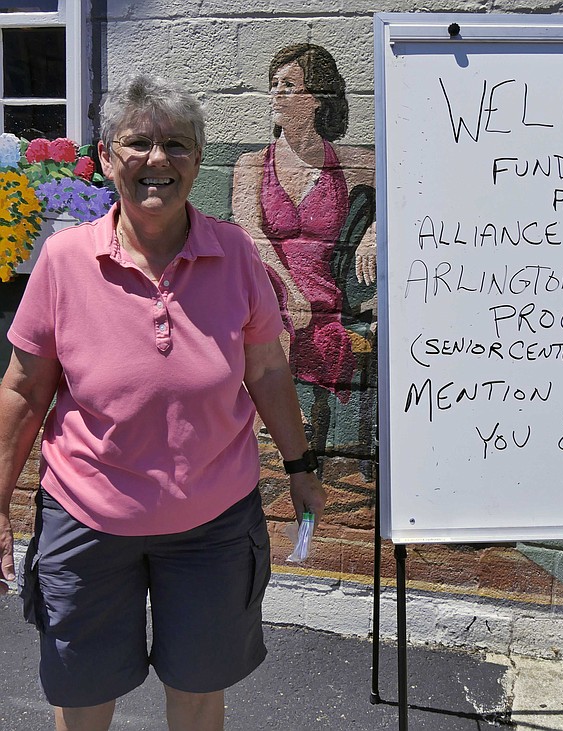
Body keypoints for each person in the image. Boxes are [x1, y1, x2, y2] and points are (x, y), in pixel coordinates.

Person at [0, 73, 326, 731]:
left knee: (200, 692)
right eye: (138, 143)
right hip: (87, 523)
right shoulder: (63, 262)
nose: (157, 160)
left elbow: (266, 371)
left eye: (176, 144)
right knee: (84, 699)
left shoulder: (234, 254)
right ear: (106, 155)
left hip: (213, 528)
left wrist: (300, 467)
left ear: (197, 161)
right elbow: (22, 389)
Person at [232, 44, 376, 451]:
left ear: (316, 99)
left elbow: (408, 182)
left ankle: (278, 424)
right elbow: (250, 236)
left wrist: (376, 230)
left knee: (294, 315)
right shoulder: (251, 164)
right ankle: (289, 423)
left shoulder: (349, 162)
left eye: (289, 86)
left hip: (321, 290)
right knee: (269, 303)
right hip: (269, 282)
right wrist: (291, 293)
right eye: (273, 85)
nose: (276, 94)